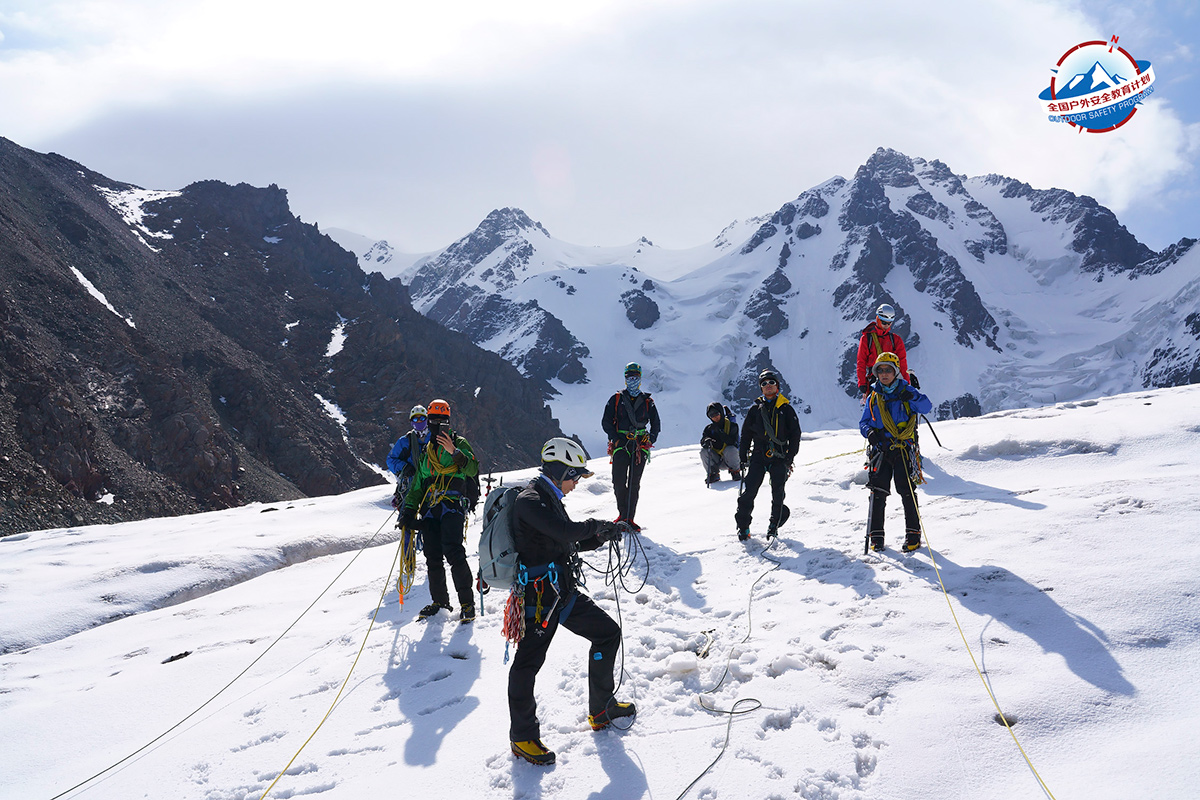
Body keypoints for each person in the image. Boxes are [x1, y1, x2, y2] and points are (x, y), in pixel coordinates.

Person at [508, 438, 635, 766]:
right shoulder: (530, 500)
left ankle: (601, 709)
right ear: (560, 469)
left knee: (607, 634)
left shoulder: (547, 497)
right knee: (527, 665)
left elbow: (560, 543)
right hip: (540, 600)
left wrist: (598, 538)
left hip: (559, 594)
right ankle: (522, 737)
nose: (576, 483)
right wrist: (599, 525)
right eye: (574, 475)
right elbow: (563, 532)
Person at [400, 399, 480, 622]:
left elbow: (472, 467)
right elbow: (418, 485)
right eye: (434, 419)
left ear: (448, 421)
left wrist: (454, 451)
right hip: (430, 508)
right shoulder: (427, 451)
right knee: (432, 555)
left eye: (442, 420)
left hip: (452, 506)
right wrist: (408, 510)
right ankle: (440, 601)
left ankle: (467, 604)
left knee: (453, 551)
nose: (438, 424)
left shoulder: (458, 443)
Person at [859, 352, 933, 553]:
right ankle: (877, 538)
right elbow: (864, 422)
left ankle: (913, 536)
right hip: (880, 449)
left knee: (907, 492)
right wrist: (871, 433)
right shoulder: (874, 396)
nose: (884, 374)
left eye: (888, 370)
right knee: (878, 493)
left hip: (902, 449)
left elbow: (926, 406)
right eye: (880, 370)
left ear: (895, 372)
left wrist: (912, 396)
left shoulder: (906, 391)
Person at [735, 369, 801, 541]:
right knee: (749, 491)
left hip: (779, 456)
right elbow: (746, 435)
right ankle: (743, 527)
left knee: (778, 493)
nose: (768, 386)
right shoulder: (755, 410)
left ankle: (774, 525)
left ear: (777, 386)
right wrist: (743, 456)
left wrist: (789, 457)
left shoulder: (786, 409)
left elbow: (795, 435)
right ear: (761, 388)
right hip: (758, 455)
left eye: (771, 382)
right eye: (764, 384)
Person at [600, 362, 660, 531]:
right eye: (629, 376)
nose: (632, 379)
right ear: (625, 378)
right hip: (621, 444)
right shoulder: (616, 399)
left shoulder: (648, 402)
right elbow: (606, 421)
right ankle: (623, 515)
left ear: (640, 378)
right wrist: (614, 437)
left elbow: (656, 424)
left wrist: (651, 439)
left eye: (635, 376)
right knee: (618, 481)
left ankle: (629, 518)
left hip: (639, 446)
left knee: (634, 483)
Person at [856, 303, 912, 403]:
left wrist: (906, 384)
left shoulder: (896, 340)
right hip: (874, 380)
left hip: (893, 380)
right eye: (884, 322)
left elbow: (902, 363)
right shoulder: (867, 339)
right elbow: (861, 362)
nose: (886, 325)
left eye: (889, 323)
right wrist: (862, 384)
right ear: (877, 319)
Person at [386, 405, 429, 509]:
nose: (419, 421)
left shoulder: (435, 438)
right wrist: (405, 467)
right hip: (412, 481)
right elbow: (391, 459)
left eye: (422, 418)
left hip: (431, 481)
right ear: (411, 421)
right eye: (415, 418)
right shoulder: (405, 441)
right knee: (407, 511)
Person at [700, 402, 741, 486]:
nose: (715, 417)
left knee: (731, 449)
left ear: (721, 413)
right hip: (717, 459)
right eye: (711, 415)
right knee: (704, 451)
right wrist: (706, 441)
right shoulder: (709, 429)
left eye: (716, 413)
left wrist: (720, 433)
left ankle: (735, 472)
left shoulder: (732, 426)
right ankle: (713, 473)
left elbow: (733, 442)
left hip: (731, 458)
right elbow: (703, 440)